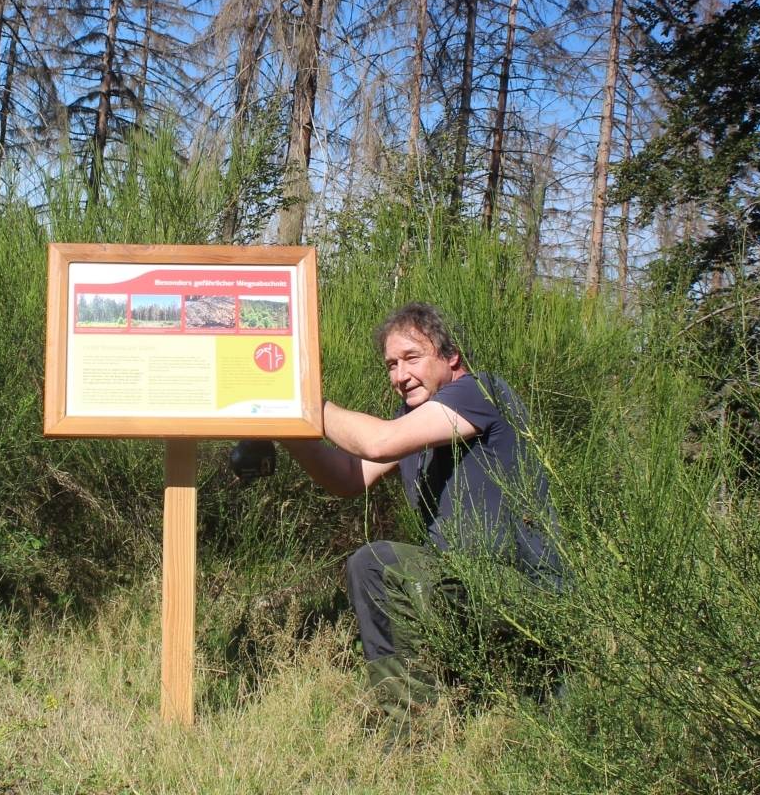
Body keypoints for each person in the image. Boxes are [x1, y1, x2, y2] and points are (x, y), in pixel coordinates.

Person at [240, 303, 560, 730]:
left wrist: (303, 403)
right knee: (373, 566)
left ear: (451, 357)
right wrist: (290, 431)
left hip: (525, 587)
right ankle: (420, 718)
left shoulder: (478, 393)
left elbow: (380, 443)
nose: (399, 375)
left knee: (377, 564)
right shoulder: (415, 420)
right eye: (391, 364)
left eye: (412, 358)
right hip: (466, 579)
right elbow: (348, 477)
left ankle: (418, 723)